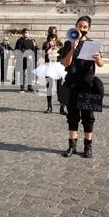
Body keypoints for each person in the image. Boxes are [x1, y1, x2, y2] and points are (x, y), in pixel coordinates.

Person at [60, 16, 104, 158]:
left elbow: (101, 64)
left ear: (88, 29)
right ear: (76, 26)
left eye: (85, 27)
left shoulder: (92, 44)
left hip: (87, 83)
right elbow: (65, 64)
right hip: (72, 83)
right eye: (80, 26)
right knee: (72, 116)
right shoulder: (68, 43)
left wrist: (98, 59)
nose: (82, 29)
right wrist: (72, 49)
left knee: (87, 116)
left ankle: (87, 146)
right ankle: (72, 146)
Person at [35, 31, 66, 114]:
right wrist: (49, 49)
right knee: (49, 87)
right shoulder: (46, 44)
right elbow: (42, 55)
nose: (52, 38)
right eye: (51, 36)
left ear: (56, 36)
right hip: (48, 66)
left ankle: (62, 107)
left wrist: (57, 50)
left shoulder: (59, 43)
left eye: (54, 36)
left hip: (57, 66)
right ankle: (49, 106)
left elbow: (63, 55)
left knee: (60, 88)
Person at [15, 28, 37, 93]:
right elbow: (17, 50)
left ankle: (30, 86)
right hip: (22, 59)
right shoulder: (19, 41)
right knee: (23, 74)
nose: (26, 34)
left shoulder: (30, 41)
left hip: (30, 60)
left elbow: (33, 50)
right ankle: (22, 88)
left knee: (30, 73)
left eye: (27, 33)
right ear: (22, 34)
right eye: (25, 33)